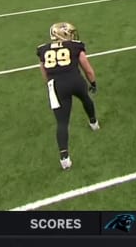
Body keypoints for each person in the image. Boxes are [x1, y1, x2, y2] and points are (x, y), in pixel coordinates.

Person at [36, 22, 99, 170]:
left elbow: (44, 71)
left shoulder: (42, 49)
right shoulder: (76, 46)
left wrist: (50, 84)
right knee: (85, 98)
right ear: (61, 34)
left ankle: (64, 157)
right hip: (75, 80)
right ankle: (93, 123)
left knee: (62, 122)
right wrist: (93, 83)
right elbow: (87, 68)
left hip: (57, 85)